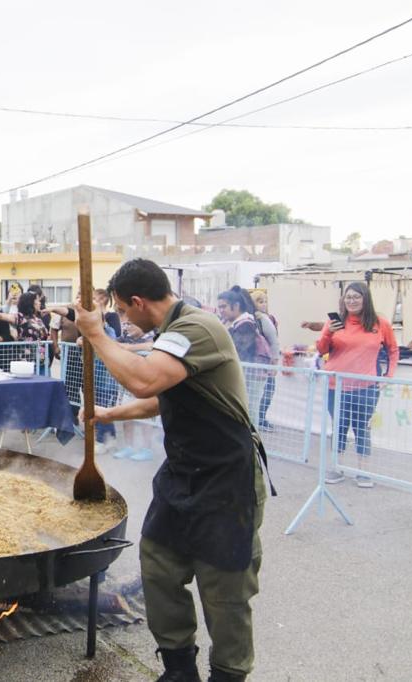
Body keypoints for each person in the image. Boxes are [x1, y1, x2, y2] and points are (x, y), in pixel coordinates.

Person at [77, 258, 270, 682]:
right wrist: (110, 415)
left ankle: (227, 674)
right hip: (182, 474)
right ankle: (179, 669)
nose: (123, 320)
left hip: (226, 480)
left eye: (123, 312)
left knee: (225, 591)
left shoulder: (197, 329)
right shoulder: (170, 335)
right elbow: (162, 397)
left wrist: (94, 332)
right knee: (159, 567)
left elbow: (146, 381)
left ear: (138, 301)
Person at [317, 281, 399, 488]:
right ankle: (337, 467)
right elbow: (321, 349)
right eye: (348, 297)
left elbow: (393, 350)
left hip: (366, 387)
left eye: (356, 297)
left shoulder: (380, 323)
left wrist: (388, 376)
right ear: (343, 300)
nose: (352, 301)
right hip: (336, 386)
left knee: (362, 428)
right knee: (339, 427)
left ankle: (363, 471)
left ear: (365, 298)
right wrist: (328, 333)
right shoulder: (334, 322)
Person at [217, 289, 271, 424]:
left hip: (252, 376)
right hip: (242, 375)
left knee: (250, 411)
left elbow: (239, 350)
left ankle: (252, 443)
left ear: (235, 306)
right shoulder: (230, 323)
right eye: (219, 307)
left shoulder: (246, 324)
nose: (221, 310)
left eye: (223, 307)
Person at [250, 290, 280, 430]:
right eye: (259, 301)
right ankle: (258, 420)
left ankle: (261, 418)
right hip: (256, 363)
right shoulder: (251, 318)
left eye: (265, 301)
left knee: (269, 390)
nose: (263, 304)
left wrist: (274, 361)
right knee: (256, 394)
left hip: (266, 362)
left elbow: (274, 341)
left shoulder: (268, 319)